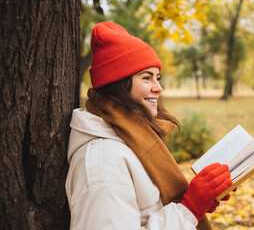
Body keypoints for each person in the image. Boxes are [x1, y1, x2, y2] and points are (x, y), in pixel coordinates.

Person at [65, 22, 233, 230]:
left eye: (158, 78)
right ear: (119, 84)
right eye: (146, 78)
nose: (158, 88)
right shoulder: (102, 160)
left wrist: (197, 201)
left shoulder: (131, 138)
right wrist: (189, 208)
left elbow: (148, 211)